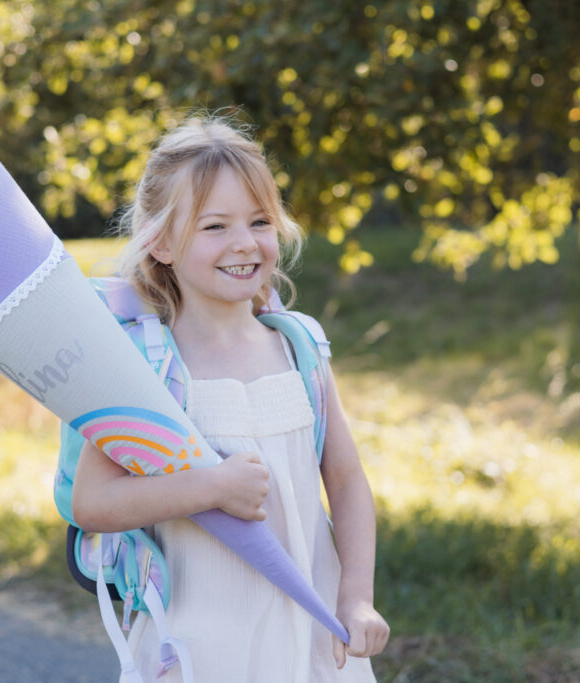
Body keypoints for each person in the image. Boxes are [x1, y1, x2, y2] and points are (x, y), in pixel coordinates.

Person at [71, 116, 389, 682]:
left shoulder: (299, 348)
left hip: (314, 643)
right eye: (214, 226)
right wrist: (210, 487)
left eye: (260, 221)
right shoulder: (147, 367)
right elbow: (92, 503)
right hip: (201, 649)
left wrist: (356, 597)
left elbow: (345, 479)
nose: (245, 243)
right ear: (162, 242)